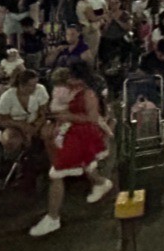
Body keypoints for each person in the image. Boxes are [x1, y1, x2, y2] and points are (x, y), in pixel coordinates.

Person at [28, 66, 114, 237]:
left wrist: (68, 117)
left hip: (82, 134)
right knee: (85, 163)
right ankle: (100, 183)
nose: (69, 81)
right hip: (73, 132)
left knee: (58, 173)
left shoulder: (88, 94)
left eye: (72, 78)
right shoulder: (73, 90)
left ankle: (53, 217)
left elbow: (91, 118)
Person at [0, 69, 49, 155]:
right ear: (21, 85)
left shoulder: (40, 89)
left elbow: (44, 113)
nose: (35, 87)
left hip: (36, 122)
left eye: (35, 84)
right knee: (12, 141)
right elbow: (0, 120)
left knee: (48, 134)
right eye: (31, 85)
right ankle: (12, 162)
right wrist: (20, 125)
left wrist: (34, 127)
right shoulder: (8, 96)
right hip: (14, 125)